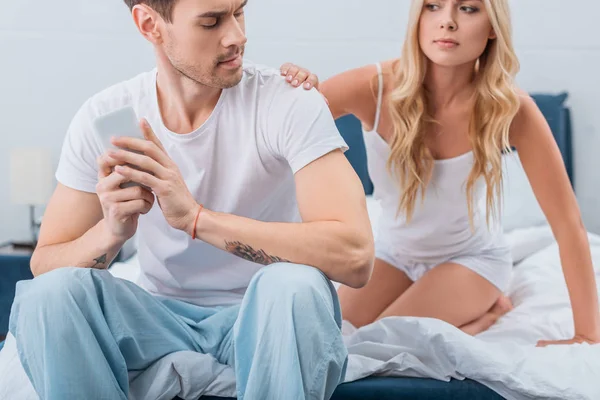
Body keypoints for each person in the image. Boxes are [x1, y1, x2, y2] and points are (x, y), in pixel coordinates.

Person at [8, 0, 376, 399]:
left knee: (295, 286)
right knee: (48, 296)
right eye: (211, 21)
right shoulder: (106, 115)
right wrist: (110, 232)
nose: (237, 35)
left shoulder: (287, 102)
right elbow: (45, 265)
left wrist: (196, 218)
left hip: (262, 316)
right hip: (156, 320)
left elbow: (355, 257)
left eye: (239, 12)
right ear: (150, 24)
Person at [281, 0, 600, 345]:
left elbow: (568, 225)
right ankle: (486, 315)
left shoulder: (511, 108)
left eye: (468, 9)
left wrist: (587, 334)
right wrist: (301, 89)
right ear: (418, 18)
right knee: (325, 335)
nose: (447, 22)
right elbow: (279, 127)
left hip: (470, 259)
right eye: (433, 6)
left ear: (493, 27)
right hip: (393, 253)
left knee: (381, 342)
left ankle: (487, 313)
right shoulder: (374, 86)